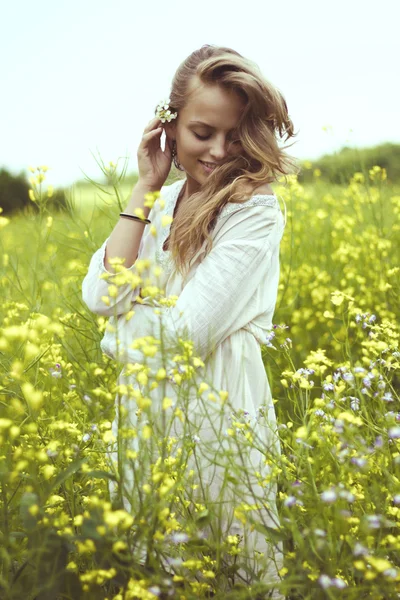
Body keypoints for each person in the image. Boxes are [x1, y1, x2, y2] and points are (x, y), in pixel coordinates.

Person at [82, 44, 298, 596]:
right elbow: (100, 296)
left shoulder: (253, 210)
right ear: (170, 126)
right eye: (204, 133)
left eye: (237, 134)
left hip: (220, 407)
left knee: (238, 567)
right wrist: (144, 187)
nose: (221, 151)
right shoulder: (161, 200)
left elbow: (181, 339)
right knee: (160, 569)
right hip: (146, 409)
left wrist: (114, 341)